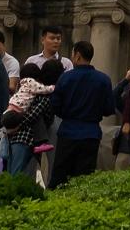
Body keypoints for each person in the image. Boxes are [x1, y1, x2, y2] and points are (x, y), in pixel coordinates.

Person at [46, 41, 112, 188]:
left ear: (77, 56)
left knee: (60, 177)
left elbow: (55, 105)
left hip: (68, 131)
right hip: (91, 133)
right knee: (84, 179)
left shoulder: (65, 78)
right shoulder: (103, 80)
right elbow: (108, 109)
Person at [0, 61, 60, 179]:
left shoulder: (23, 91)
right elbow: (33, 115)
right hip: (24, 139)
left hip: (15, 138)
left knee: (13, 172)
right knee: (17, 174)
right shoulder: (41, 95)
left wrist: (12, 128)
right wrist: (17, 127)